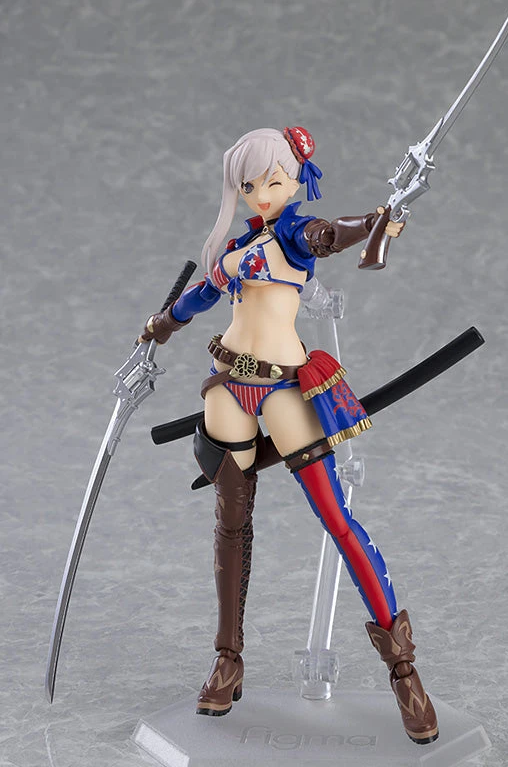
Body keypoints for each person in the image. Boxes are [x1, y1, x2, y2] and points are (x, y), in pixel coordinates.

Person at [139, 126, 439, 745]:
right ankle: (228, 659)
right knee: (230, 525)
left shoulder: (295, 235)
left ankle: (404, 671)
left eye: (273, 181)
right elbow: (200, 296)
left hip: (282, 387)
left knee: (336, 519)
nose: (261, 193)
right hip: (227, 383)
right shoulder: (237, 248)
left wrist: (375, 222)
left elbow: (330, 234)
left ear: (297, 177)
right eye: (250, 185)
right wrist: (162, 323)